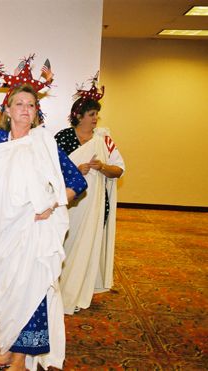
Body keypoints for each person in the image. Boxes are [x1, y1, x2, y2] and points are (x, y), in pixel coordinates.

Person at [0, 41, 87, 370]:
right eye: (19, 104)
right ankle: (8, 350)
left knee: (32, 291)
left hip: (33, 231)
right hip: (0, 234)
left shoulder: (45, 144)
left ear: (35, 112)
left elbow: (77, 182)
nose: (25, 109)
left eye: (31, 105)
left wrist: (54, 204)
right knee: (7, 295)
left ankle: (17, 360)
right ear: (8, 110)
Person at [55, 91, 125, 315]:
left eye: (97, 115)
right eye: (92, 114)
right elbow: (50, 170)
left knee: (85, 245)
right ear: (79, 115)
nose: (95, 118)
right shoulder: (62, 138)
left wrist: (101, 167)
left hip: (94, 208)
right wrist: (75, 171)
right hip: (68, 205)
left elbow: (119, 170)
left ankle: (77, 290)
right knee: (62, 246)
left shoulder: (104, 141)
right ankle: (56, 290)